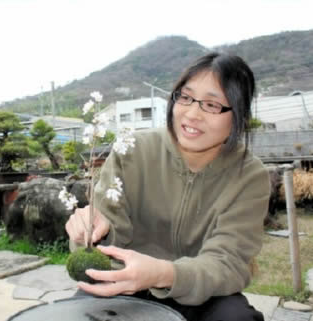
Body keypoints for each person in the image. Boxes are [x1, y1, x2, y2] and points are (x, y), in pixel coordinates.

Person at [65, 52, 270, 321]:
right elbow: (107, 234)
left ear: (239, 116)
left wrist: (163, 273)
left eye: (212, 105)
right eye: (185, 98)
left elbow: (227, 262)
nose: (192, 114)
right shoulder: (132, 151)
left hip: (202, 293)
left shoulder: (250, 176)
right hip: (124, 284)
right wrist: (90, 232)